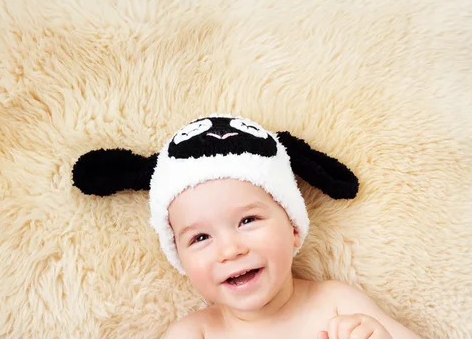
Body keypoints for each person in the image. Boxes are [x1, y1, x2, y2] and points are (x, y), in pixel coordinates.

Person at [71, 114, 421, 338]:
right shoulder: (194, 333)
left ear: (294, 228)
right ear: (179, 259)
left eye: (248, 220)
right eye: (201, 237)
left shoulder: (337, 304)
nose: (230, 249)